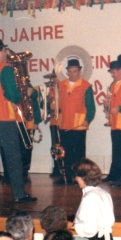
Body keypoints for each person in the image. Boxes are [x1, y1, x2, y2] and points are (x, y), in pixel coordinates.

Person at [0, 39, 37, 202]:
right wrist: (23, 95)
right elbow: (11, 93)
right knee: (14, 157)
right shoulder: (5, 68)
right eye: (5, 51)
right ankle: (19, 194)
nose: (7, 54)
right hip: (5, 119)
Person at [53, 59, 96, 185]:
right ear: (67, 72)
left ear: (80, 71)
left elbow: (91, 106)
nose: (73, 74)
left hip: (79, 125)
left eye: (75, 71)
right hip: (64, 124)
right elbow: (57, 104)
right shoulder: (60, 85)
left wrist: (88, 120)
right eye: (70, 71)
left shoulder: (86, 85)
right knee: (64, 154)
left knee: (79, 154)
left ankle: (81, 179)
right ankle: (66, 177)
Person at [72, 158, 114, 240]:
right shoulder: (105, 193)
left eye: (77, 176)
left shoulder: (88, 198)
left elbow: (89, 230)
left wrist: (74, 226)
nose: (76, 179)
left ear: (84, 177)